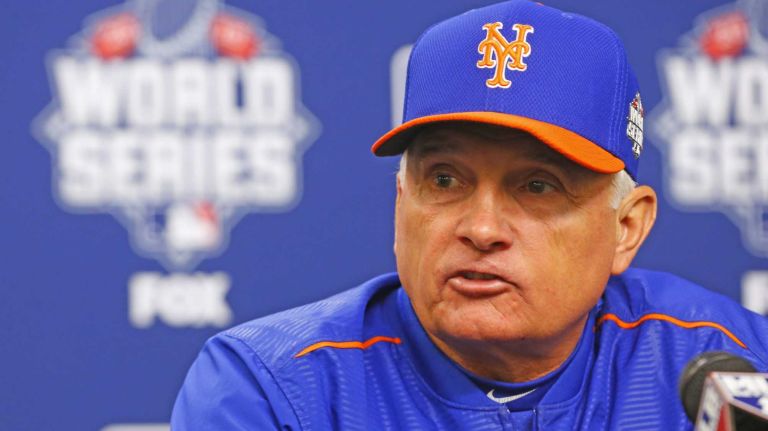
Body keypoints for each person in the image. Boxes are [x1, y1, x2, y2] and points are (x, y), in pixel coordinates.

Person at [171, 1, 768, 429]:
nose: (481, 229)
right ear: (401, 200)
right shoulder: (277, 390)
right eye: (445, 180)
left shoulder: (731, 362)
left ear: (627, 228)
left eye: (537, 186)